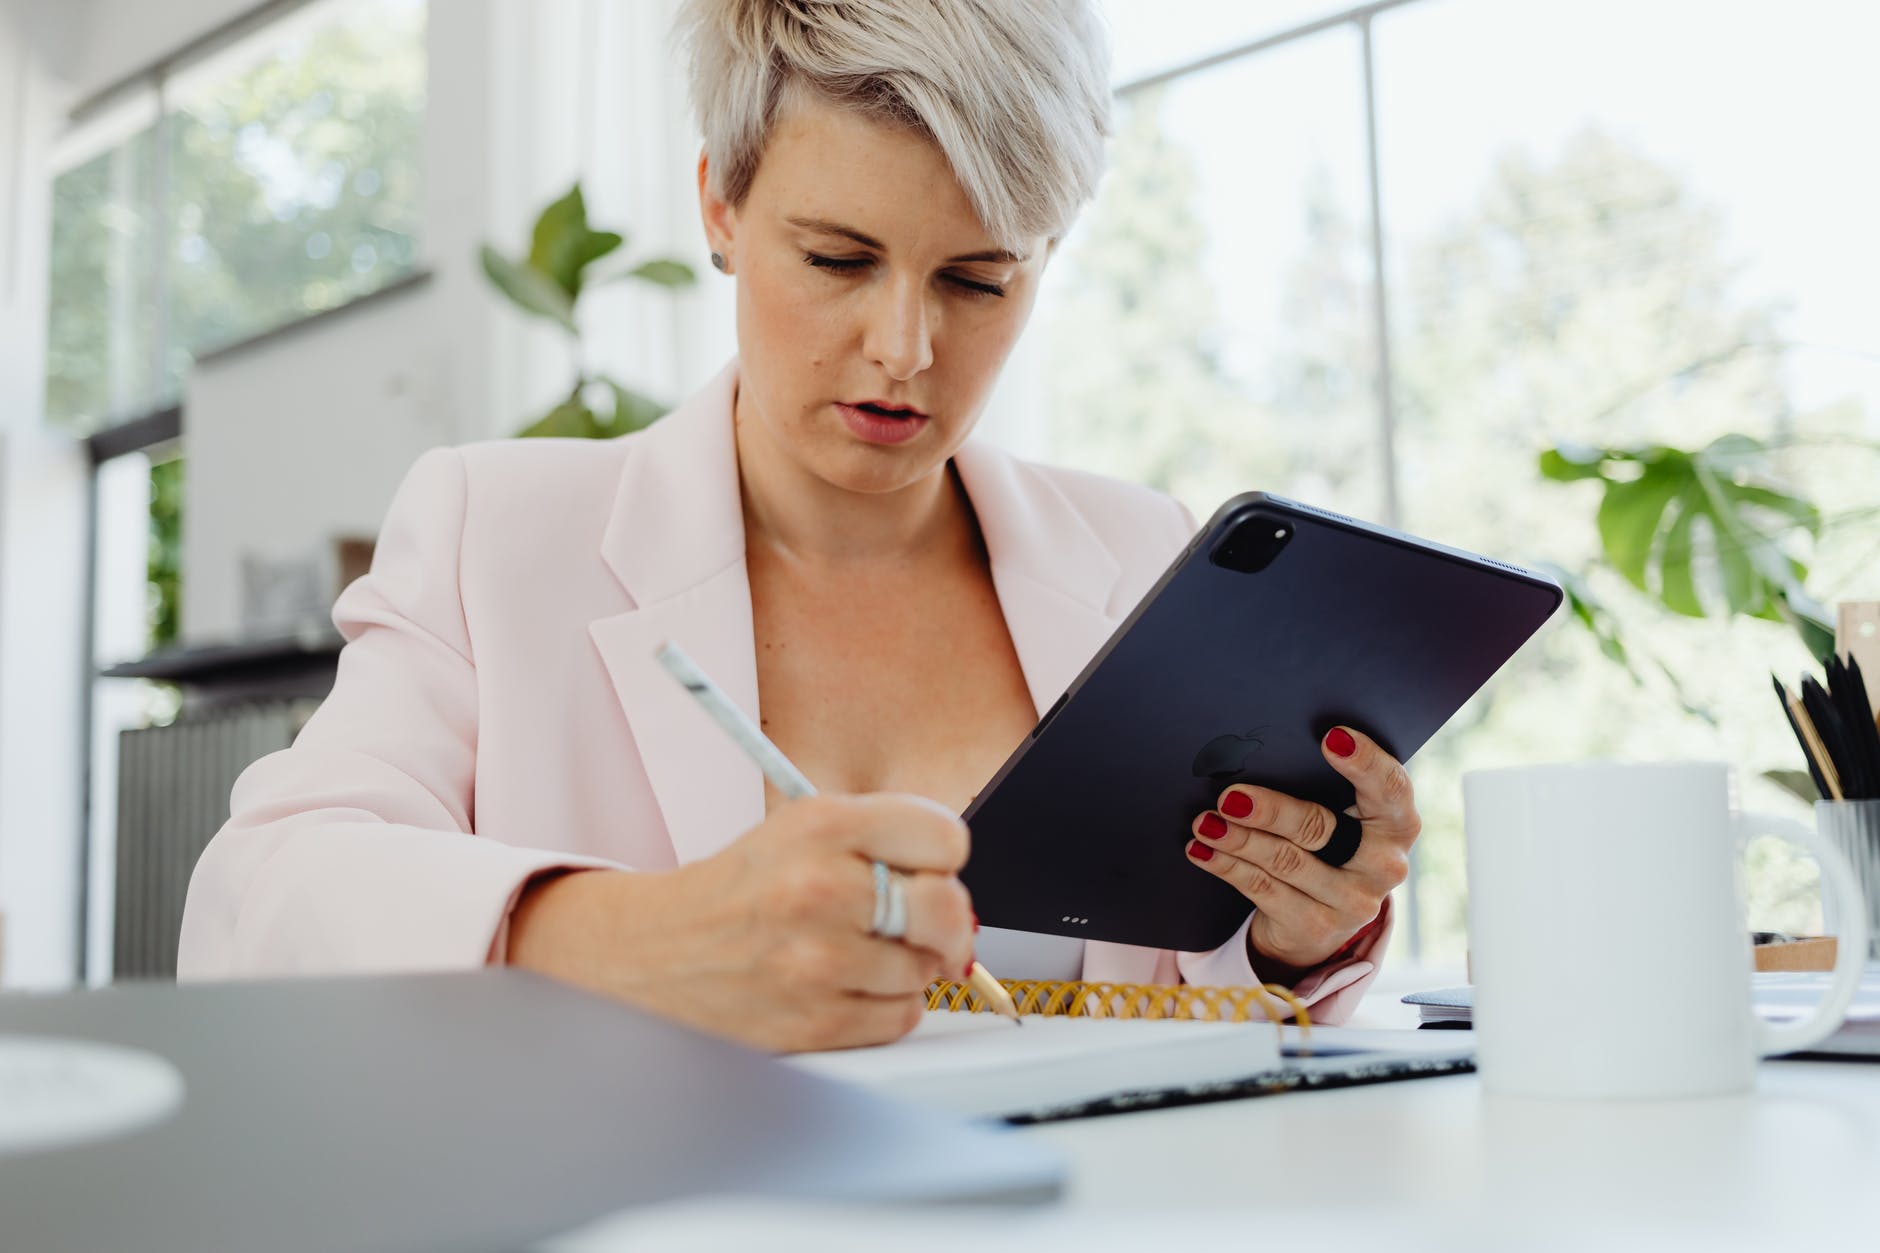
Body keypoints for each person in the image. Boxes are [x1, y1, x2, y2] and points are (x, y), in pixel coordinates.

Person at [178, 0, 1418, 1051]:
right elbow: (256, 903)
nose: (903, 349)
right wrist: (632, 943)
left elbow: (1195, 1012)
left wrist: (1288, 935)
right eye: (835, 258)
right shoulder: (492, 533)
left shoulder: (1138, 553)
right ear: (719, 204)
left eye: (977, 278)